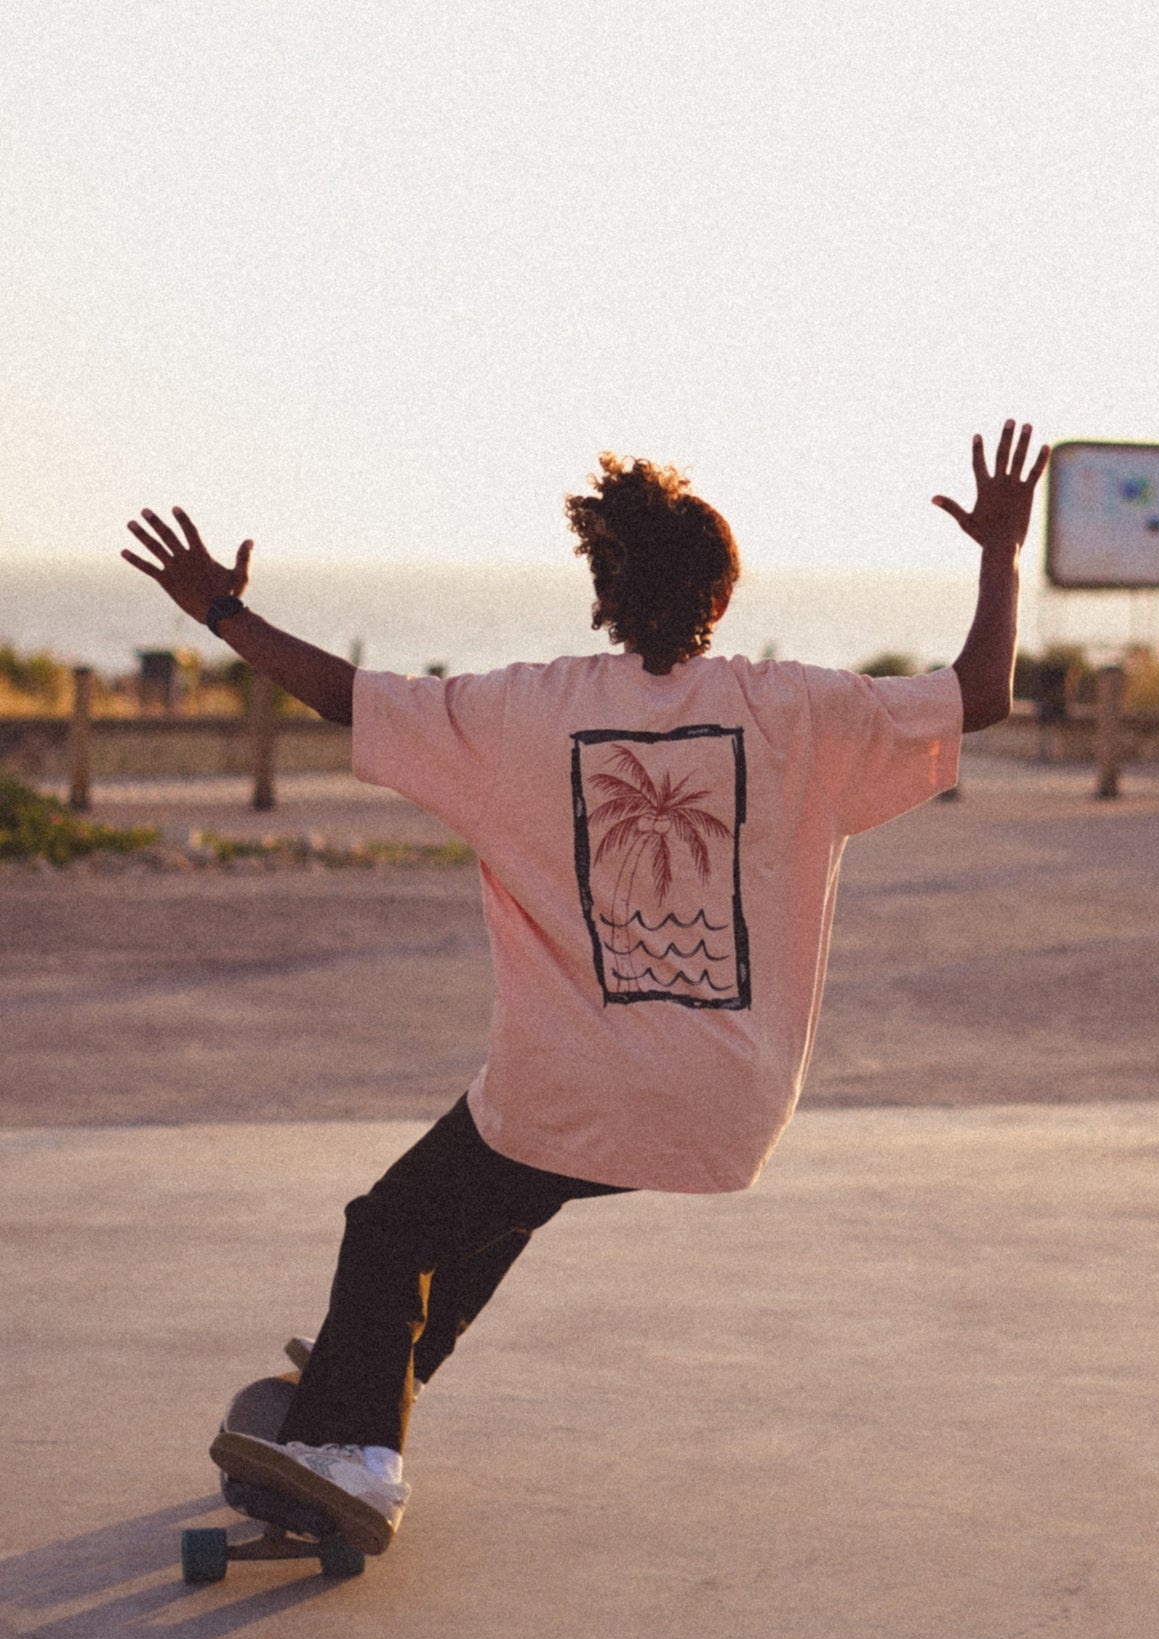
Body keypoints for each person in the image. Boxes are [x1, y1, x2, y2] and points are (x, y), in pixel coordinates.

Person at [123, 421, 1048, 1556]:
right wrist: (1001, 552)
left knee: (394, 1224)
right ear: (721, 592)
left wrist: (221, 614)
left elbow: (346, 700)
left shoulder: (524, 709)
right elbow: (980, 695)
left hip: (569, 1085)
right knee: (501, 1201)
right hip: (726, 1098)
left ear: (605, 590)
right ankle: (383, 1369)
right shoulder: (802, 712)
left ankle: (356, 1455)